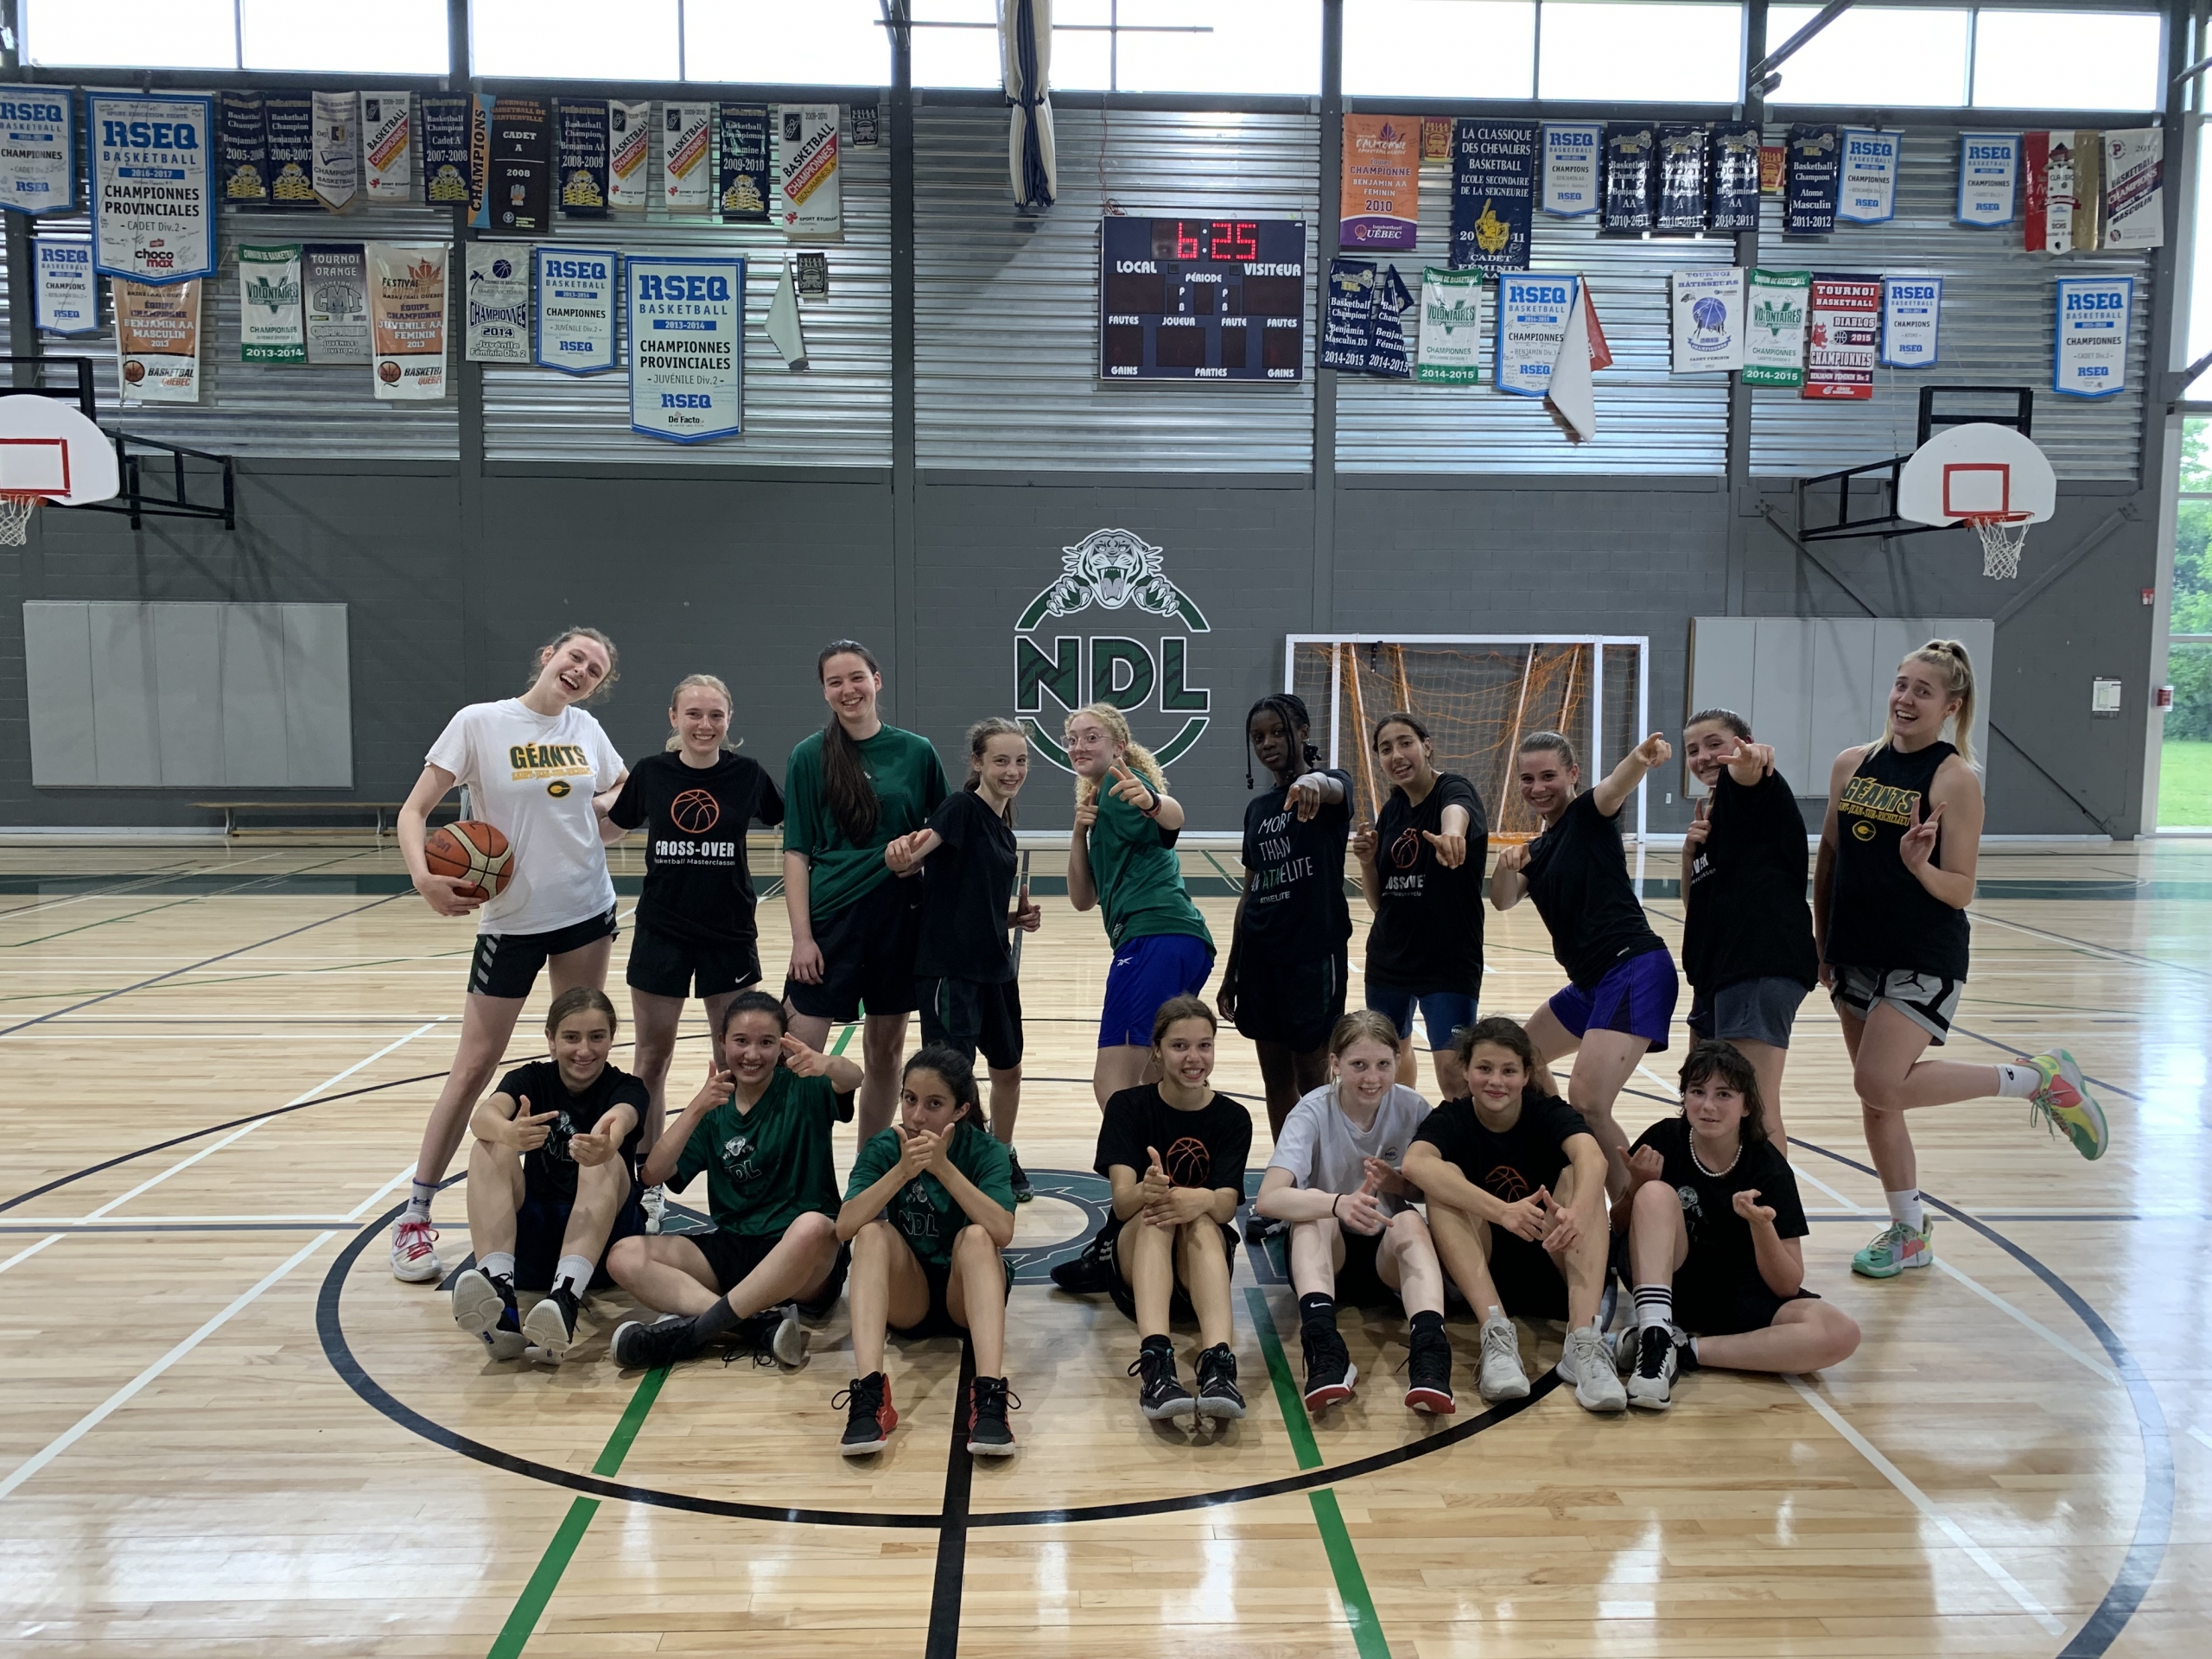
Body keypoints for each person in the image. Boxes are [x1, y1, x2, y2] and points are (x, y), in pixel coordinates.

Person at [1814, 640, 2107, 1281]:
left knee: (1879, 1083)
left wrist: (1920, 866)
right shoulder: (1851, 764)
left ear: (1953, 705)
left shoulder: (1954, 779)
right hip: (1854, 951)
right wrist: (1821, 941)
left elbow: (1962, 888)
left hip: (1923, 953)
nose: (1905, 699)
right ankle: (1910, 1229)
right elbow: (1830, 860)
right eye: (1900, 684)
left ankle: (2036, 1078)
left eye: (1923, 690)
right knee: (1879, 1101)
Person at [390, 626, 627, 1284]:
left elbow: (618, 806)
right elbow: (415, 811)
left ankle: (573, 1205)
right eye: (576, 657)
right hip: (510, 921)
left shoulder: (585, 732)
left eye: (596, 669)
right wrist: (423, 878)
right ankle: (413, 1215)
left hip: (585, 912)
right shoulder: (481, 723)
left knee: (579, 1060)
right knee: (473, 1066)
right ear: (549, 656)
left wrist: (598, 813)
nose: (582, 671)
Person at [601, 673, 784, 1227]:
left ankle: (738, 1173)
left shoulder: (748, 776)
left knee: (735, 1062)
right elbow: (610, 823)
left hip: (728, 931)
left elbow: (792, 821)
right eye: (694, 715)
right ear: (673, 718)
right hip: (662, 931)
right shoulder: (653, 774)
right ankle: (647, 1179)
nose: (705, 725)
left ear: (729, 721)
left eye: (716, 716)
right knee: (651, 1060)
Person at [607, 992, 859, 1370]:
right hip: (735, 1247)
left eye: (766, 1043)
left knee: (814, 1226)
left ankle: (697, 1331)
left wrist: (828, 1063)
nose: (752, 1054)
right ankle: (754, 1327)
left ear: (782, 1046)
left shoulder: (804, 1086)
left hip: (803, 1262)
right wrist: (695, 1108)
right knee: (623, 1256)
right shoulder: (713, 1107)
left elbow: (856, 1077)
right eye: (741, 1041)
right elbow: (653, 1174)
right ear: (722, 1042)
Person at [1619, 1039, 1862, 1408]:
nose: (1708, 1105)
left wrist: (1761, 1226)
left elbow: (1787, 1284)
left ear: (1747, 1105)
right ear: (1683, 1097)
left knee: (1840, 1333)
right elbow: (1618, 1227)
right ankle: (1654, 1336)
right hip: (1673, 1281)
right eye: (1697, 1092)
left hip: (1737, 1292)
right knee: (1654, 1193)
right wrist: (1636, 1186)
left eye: (1724, 1094)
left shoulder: (1768, 1167)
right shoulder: (1664, 1138)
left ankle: (1685, 1350)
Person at [1402, 1016, 1623, 1413]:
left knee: (1578, 1177)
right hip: (1483, 1267)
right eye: (1484, 1069)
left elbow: (1592, 1156)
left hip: (1555, 1258)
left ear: (1527, 1074)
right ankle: (1496, 1335)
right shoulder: (1452, 1118)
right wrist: (1502, 1211)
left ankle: (1584, 1341)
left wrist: (1578, 1211)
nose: (1496, 1081)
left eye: (1508, 1070)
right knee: (1443, 1178)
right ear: (1465, 1070)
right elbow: (1415, 1166)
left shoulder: (1548, 1113)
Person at [1490, 730, 1676, 1196]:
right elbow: (1501, 900)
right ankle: (1566, 1143)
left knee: (1590, 1100)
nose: (1538, 788)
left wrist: (1640, 757)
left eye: (1549, 775)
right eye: (1528, 779)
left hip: (1633, 967)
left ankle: (1634, 1211)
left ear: (1573, 774)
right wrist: (1506, 861)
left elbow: (1616, 785)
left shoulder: (1588, 815)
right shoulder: (1538, 847)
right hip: (1591, 983)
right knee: (1522, 1058)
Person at [783, 640, 949, 1141]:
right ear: (825, 692)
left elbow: (943, 834)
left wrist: (915, 859)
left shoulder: (917, 752)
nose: (847, 689)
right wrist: (801, 938)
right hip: (831, 919)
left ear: (877, 680)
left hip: (898, 918)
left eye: (856, 677)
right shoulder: (809, 756)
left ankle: (870, 1169)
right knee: (799, 1052)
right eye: (835, 682)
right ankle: (798, 1171)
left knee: (885, 1053)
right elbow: (796, 853)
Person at [1255, 1010, 1453, 1414]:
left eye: (1383, 1064)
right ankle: (1325, 1349)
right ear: (1335, 1065)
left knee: (1411, 1219)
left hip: (1387, 1260)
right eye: (1358, 1065)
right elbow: (1268, 1199)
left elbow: (1439, 1188)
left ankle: (1430, 1355)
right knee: (1313, 1218)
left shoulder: (1414, 1108)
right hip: (1331, 1259)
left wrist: (1398, 1185)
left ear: (1398, 1062)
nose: (1372, 1077)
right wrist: (1337, 1203)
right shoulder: (1311, 1111)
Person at [835, 1046, 1020, 1458]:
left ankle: (989, 1399)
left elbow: (1002, 1231)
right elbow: (844, 1226)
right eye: (909, 1099)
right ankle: (870, 1396)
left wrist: (942, 1168)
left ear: (960, 1109)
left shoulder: (985, 1150)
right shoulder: (886, 1146)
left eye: (934, 1104)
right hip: (910, 1295)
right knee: (870, 1235)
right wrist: (903, 1171)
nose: (917, 1116)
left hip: (964, 1295)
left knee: (976, 1237)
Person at [886, 718, 1043, 1201]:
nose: (1012, 770)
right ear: (977, 762)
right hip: (949, 971)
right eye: (1001, 760)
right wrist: (901, 857)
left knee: (1008, 1068)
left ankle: (1002, 1152)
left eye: (1020, 761)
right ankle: (939, 1162)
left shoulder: (1004, 830)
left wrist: (1012, 921)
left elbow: (972, 897)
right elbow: (912, 856)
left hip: (995, 967)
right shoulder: (960, 808)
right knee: (950, 1077)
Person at [450, 986, 647, 1362]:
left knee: (600, 1155)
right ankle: (501, 1297)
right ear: (551, 1041)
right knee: (488, 1146)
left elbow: (623, 1117)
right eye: (571, 1037)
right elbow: (482, 1118)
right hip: (536, 1241)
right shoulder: (530, 1080)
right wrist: (508, 1132)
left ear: (611, 1040)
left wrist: (610, 1141)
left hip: (604, 1244)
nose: (584, 1050)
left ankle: (565, 1299)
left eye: (596, 1037)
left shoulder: (626, 1086)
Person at [1085, 997, 1251, 1423]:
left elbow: (1228, 1204)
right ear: (1156, 1050)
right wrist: (1147, 1189)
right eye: (1180, 1046)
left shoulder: (1234, 1117)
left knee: (1194, 1211)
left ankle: (1218, 1365)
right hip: (1134, 1262)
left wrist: (1205, 1199)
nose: (1194, 1058)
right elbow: (1122, 1205)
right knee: (1157, 1211)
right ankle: (1156, 1363)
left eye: (1204, 1045)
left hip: (1198, 1268)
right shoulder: (1128, 1107)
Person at [1678, 709, 1818, 1153]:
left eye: (1715, 744)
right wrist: (1690, 851)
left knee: (1753, 1106)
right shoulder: (1715, 815)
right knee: (1706, 1101)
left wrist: (1752, 760)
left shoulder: (1750, 788)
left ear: (1742, 743)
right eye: (1693, 750)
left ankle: (1776, 1218)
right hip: (1719, 973)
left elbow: (1754, 767)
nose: (1704, 757)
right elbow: (1695, 902)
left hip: (1758, 965)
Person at [1065, 702, 1215, 1109]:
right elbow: (1083, 899)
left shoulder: (1122, 788)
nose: (1079, 745)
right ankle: (1170, 1162)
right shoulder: (1102, 802)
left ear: (1120, 747)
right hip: (1180, 943)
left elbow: (1172, 817)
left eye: (1092, 737)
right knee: (1156, 1076)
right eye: (1073, 739)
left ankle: (1132, 1166)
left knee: (1113, 1079)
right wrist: (1080, 832)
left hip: (1153, 939)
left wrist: (1151, 800)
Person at [1217, 695, 1354, 1140]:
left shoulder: (1331, 787)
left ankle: (1326, 1182)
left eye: (1278, 732)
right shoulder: (1257, 810)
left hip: (1312, 958)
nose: (1268, 743)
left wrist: (1315, 783)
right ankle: (1288, 1177)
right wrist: (1232, 970)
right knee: (1275, 1082)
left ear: (1303, 732)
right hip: (1260, 961)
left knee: (1313, 1079)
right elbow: (1250, 891)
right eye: (1258, 737)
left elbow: (1334, 788)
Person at [1351, 711, 1487, 1099]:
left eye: (1405, 743)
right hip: (1389, 959)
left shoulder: (1454, 790)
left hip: (1447, 960)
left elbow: (1455, 813)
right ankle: (1401, 1133)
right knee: (1391, 1056)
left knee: (1455, 1078)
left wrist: (1451, 835)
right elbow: (1381, 903)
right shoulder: (1392, 810)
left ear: (1427, 746)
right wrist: (1366, 862)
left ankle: (1463, 1153)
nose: (1396, 754)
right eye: (1385, 748)